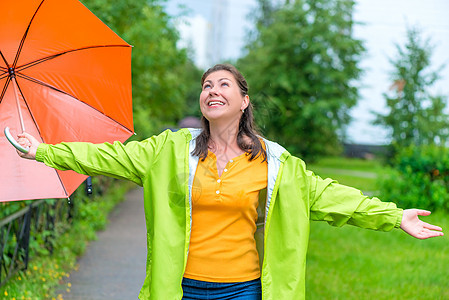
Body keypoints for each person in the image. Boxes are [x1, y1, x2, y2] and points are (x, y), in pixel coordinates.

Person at [16, 64, 443, 300]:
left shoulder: (276, 163)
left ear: (244, 100)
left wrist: (392, 215)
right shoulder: (168, 150)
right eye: (206, 85)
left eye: (224, 84)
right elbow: (107, 156)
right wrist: (42, 150)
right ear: (202, 101)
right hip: (179, 288)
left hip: (246, 290)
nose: (212, 90)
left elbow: (329, 196)